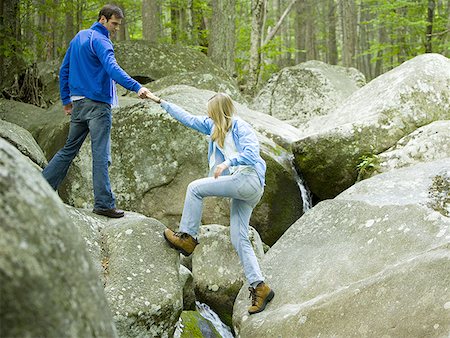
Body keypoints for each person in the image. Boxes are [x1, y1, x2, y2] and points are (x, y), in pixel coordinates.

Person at [146, 91, 275, 315]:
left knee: (195, 188)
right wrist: (160, 101)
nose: (208, 118)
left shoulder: (240, 127)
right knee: (239, 237)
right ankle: (260, 287)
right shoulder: (214, 127)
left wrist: (227, 163)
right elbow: (187, 118)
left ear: (220, 112)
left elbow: (253, 154)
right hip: (242, 185)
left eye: (211, 114)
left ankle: (187, 237)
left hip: (250, 180)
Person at [42, 4, 152, 218]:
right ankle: (103, 203)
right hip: (98, 106)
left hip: (79, 105)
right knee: (101, 154)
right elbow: (112, 69)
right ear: (103, 19)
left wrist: (66, 100)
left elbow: (64, 69)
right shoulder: (101, 41)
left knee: (68, 149)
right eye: (114, 24)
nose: (116, 28)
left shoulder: (79, 37)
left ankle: (41, 187)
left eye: (119, 25)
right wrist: (137, 87)